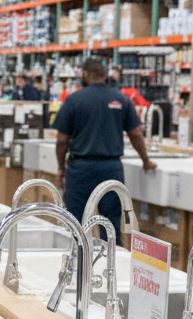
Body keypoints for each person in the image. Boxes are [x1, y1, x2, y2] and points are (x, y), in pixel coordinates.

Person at [54, 57, 157, 245]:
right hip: (111, 169)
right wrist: (146, 161)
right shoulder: (121, 99)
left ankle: (77, 260)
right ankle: (111, 261)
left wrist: (61, 167)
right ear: (104, 74)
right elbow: (136, 134)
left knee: (76, 223)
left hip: (80, 169)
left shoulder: (74, 100)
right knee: (110, 224)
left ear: (85, 74)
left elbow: (62, 140)